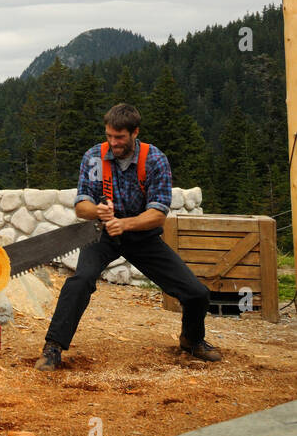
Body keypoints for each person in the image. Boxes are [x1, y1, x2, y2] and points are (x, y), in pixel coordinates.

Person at [36, 103, 220, 371]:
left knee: (196, 293)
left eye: (120, 137)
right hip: (102, 233)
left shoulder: (155, 159)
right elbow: (80, 206)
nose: (113, 142)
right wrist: (96, 210)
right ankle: (53, 347)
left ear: (135, 132)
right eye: (109, 136)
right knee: (80, 281)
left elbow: (158, 213)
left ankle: (192, 340)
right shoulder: (94, 157)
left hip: (142, 235)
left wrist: (125, 224)